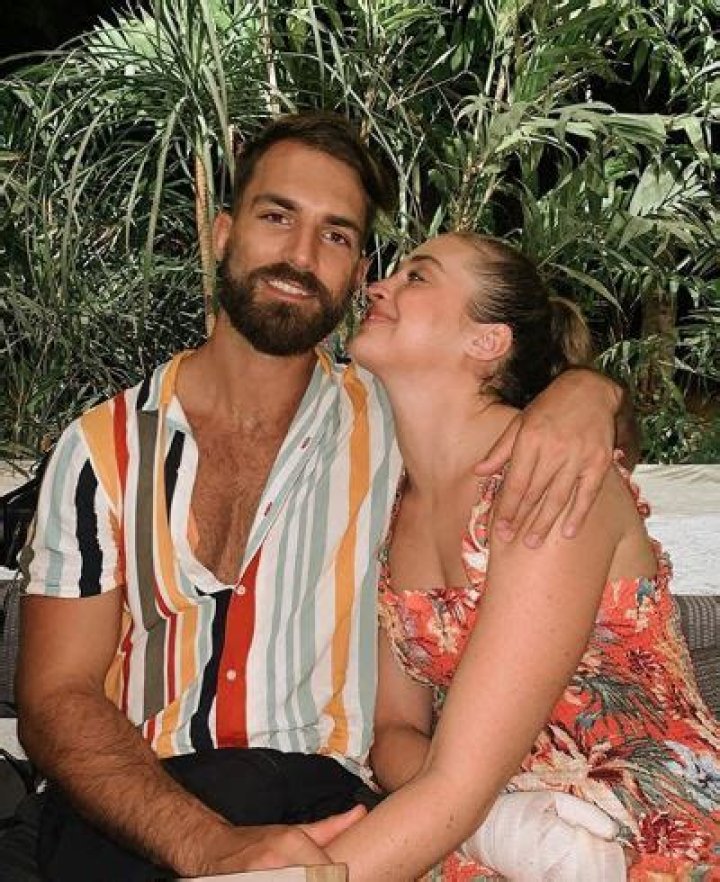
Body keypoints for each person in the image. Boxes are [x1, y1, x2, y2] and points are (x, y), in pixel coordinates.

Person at [12, 114, 625, 881]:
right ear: (223, 233)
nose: (301, 257)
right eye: (277, 217)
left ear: (357, 268)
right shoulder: (100, 449)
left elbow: (532, 435)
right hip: (142, 805)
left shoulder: (395, 421)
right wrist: (204, 844)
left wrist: (588, 392)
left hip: (330, 799)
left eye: (335, 235)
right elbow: (55, 696)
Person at [317, 232, 720, 881]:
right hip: (502, 829)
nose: (378, 286)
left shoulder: (554, 482)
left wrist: (475, 804)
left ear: (487, 341)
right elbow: (394, 731)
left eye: (418, 277)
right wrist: (502, 821)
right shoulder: (400, 504)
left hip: (641, 832)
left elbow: (456, 783)